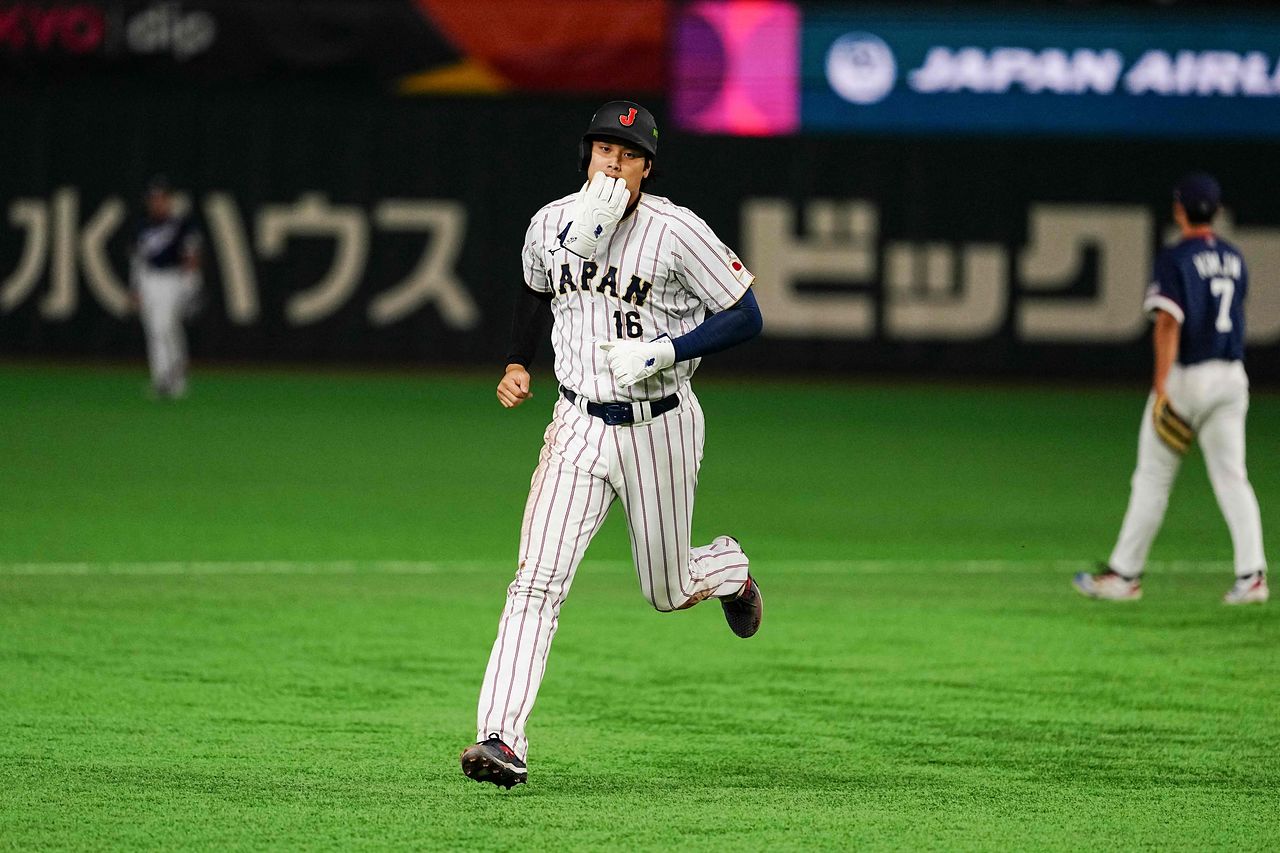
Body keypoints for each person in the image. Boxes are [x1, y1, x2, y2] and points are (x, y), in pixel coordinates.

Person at [460, 101, 765, 789]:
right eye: (604, 148)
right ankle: (500, 738)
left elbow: (747, 314)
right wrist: (516, 361)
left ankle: (727, 569)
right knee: (535, 582)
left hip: (659, 424)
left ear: (646, 169)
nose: (613, 161)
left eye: (628, 154)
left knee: (666, 589)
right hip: (575, 424)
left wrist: (667, 348)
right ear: (586, 155)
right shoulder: (550, 222)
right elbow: (535, 289)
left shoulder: (676, 231)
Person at [1074, 173, 1267, 605]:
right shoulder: (1235, 257)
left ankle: (1124, 576)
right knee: (1233, 478)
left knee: (1153, 480)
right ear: (1217, 212)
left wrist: (1162, 383)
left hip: (1188, 377)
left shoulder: (1176, 258)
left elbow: (1167, 320)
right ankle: (1252, 576)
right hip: (1231, 377)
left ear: (1179, 210)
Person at [130, 175, 202, 399]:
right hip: (149, 279)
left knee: (166, 327)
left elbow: (192, 257)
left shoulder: (182, 224)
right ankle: (161, 378)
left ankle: (176, 378)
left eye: (161, 198)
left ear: (169, 200)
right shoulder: (142, 225)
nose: (157, 203)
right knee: (154, 330)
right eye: (153, 199)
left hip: (173, 279)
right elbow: (138, 259)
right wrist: (136, 288)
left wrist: (191, 287)